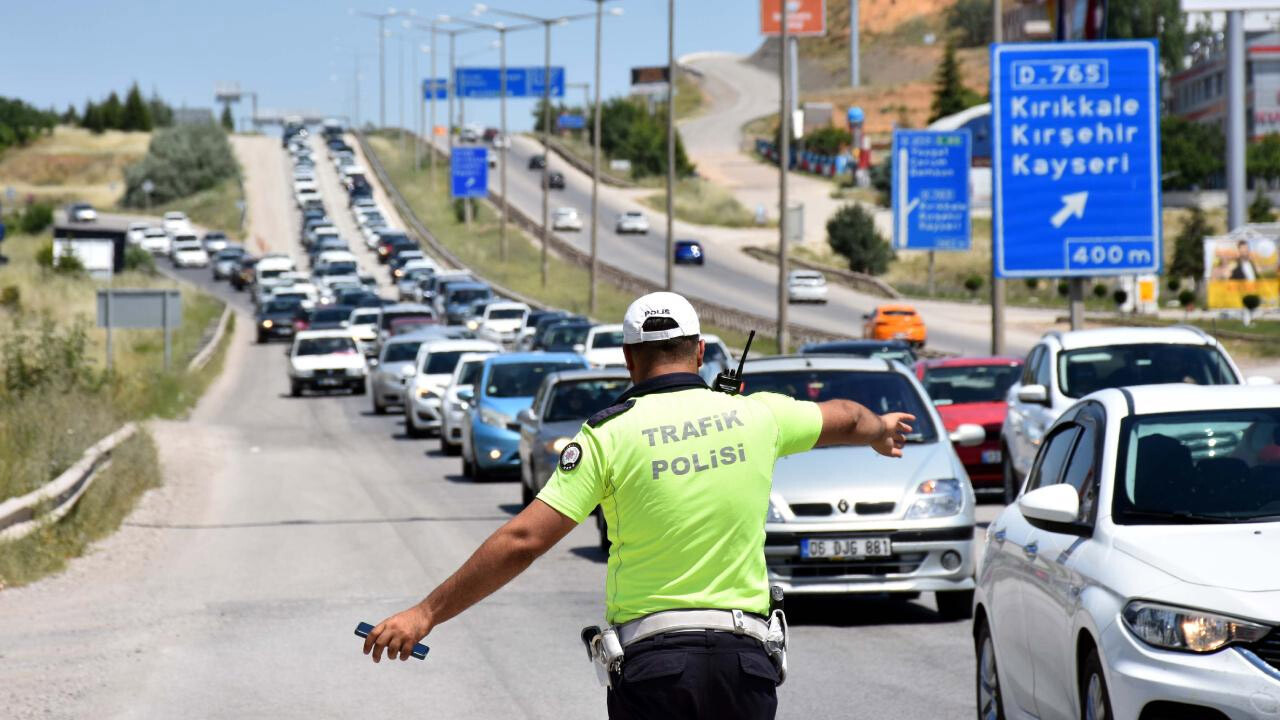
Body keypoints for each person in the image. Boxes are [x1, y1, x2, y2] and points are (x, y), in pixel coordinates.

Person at [361, 291, 913, 719]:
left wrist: (425, 613)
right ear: (700, 351)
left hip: (657, 670)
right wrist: (880, 430)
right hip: (747, 666)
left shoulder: (607, 436)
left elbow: (523, 540)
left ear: (628, 359)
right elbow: (845, 414)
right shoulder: (760, 416)